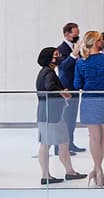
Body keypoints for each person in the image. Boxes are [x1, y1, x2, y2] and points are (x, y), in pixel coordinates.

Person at [74, 31, 104, 187]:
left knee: (94, 138)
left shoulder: (80, 62)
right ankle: (97, 170)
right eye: (101, 39)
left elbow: (77, 85)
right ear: (95, 42)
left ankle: (97, 170)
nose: (103, 42)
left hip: (89, 101)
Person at [36, 47, 87, 185]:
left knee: (57, 143)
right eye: (56, 55)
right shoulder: (49, 73)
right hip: (52, 115)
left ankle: (68, 172)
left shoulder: (45, 72)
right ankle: (50, 175)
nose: (59, 58)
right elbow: (49, 87)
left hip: (47, 113)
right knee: (52, 144)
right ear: (50, 59)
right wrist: (63, 92)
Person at [55, 22, 85, 154]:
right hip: (66, 88)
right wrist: (73, 54)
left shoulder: (75, 48)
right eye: (75, 34)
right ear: (67, 34)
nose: (77, 37)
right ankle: (60, 147)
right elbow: (63, 67)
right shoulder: (61, 49)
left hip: (74, 88)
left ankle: (70, 143)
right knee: (64, 118)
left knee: (72, 118)